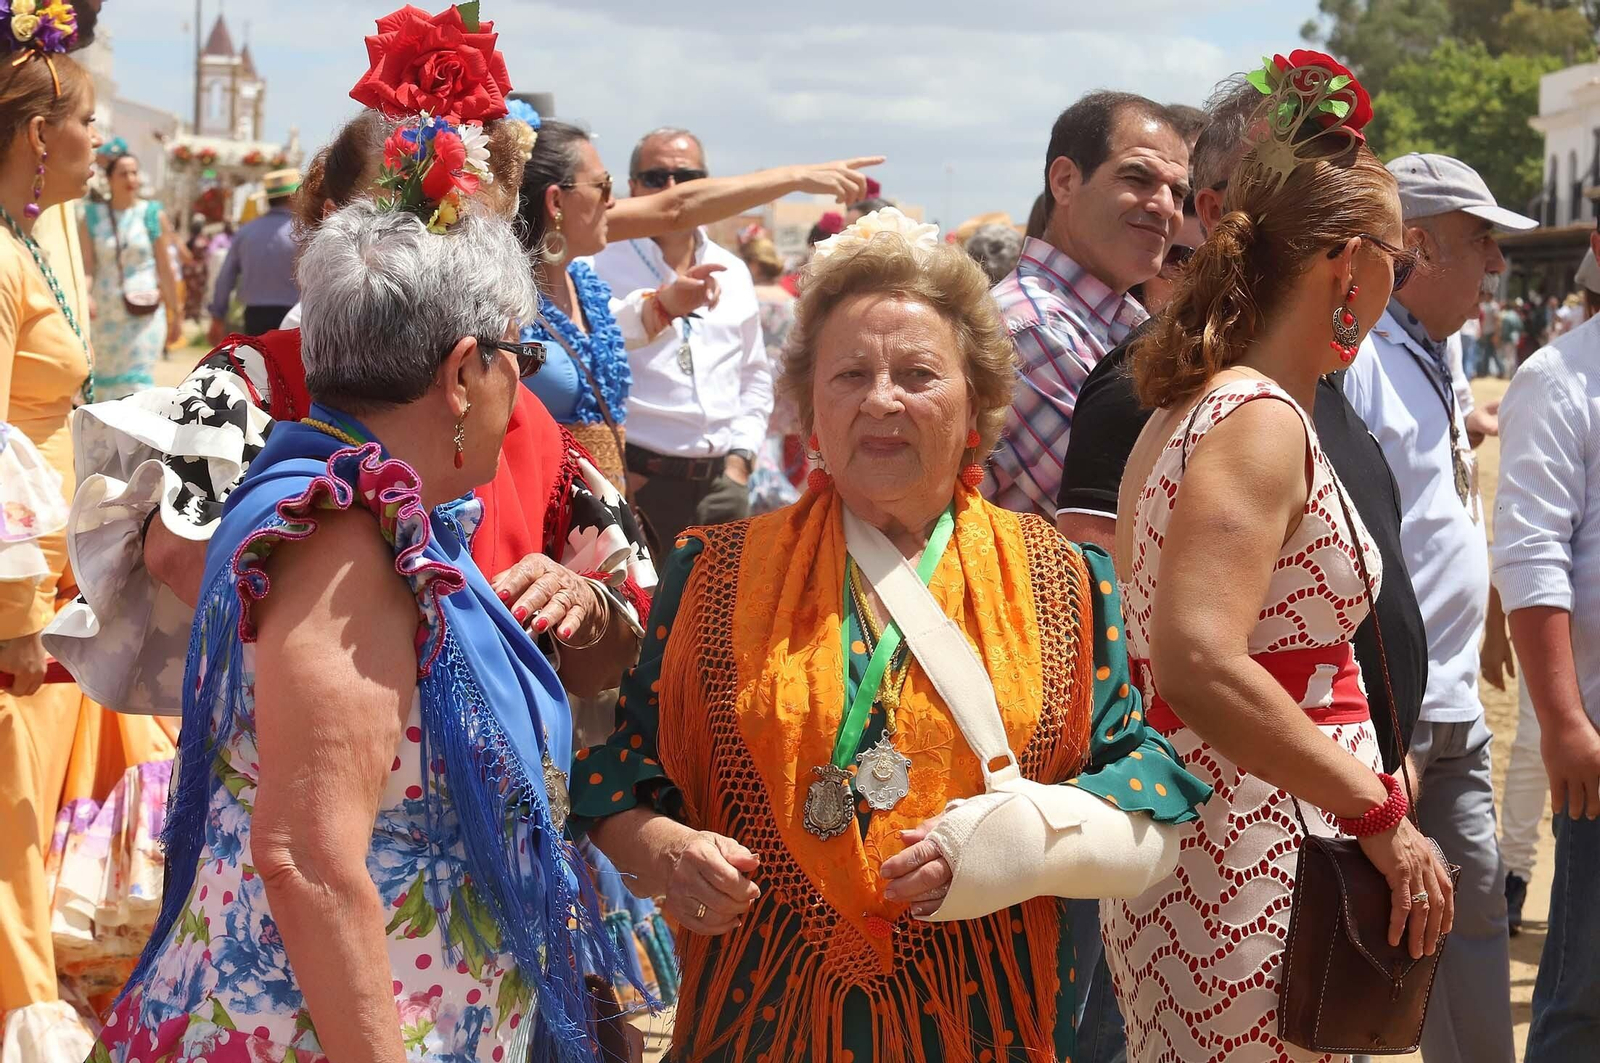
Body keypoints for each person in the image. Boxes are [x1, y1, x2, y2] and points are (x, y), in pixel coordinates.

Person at [574, 207, 1207, 1063]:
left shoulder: (1063, 580)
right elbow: (626, 774)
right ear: (808, 408)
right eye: (849, 374)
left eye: (918, 373)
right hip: (758, 1020)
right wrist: (667, 850)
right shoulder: (713, 574)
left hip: (987, 1020)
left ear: (978, 401)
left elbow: (1141, 783)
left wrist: (1011, 848)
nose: (881, 400)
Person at [91, 193, 625, 1063]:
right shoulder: (348, 541)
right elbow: (308, 861)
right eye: (519, 359)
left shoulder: (338, 498)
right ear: (463, 373)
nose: (521, 388)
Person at [46, 7, 650, 719]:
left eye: (468, 234)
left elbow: (617, 645)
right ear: (336, 224)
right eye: (405, 225)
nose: (435, 259)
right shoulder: (257, 382)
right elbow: (183, 555)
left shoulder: (523, 416)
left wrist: (582, 602)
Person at [1055, 73, 1433, 1063]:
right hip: (1254, 855)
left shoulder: (1200, 402)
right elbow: (1199, 662)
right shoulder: (1255, 418)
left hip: (1239, 838)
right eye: (1398, 258)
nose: (1397, 282)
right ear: (1347, 264)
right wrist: (1377, 807)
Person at [0, 22, 180, 1054]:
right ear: (38, 136)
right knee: (15, 837)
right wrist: (15, 613)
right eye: (85, 120)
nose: (100, 139)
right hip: (19, 607)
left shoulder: (27, 242)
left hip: (58, 590)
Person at [1342, 151, 1536, 1063]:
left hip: (1454, 702)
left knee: (1475, 912)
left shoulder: (1434, 350)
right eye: (1481, 240)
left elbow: (1442, 501)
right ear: (1415, 246)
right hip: (1396, 708)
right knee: (1362, 934)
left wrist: (1484, 597)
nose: (1496, 262)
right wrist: (1384, 720)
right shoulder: (1360, 363)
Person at [1492, 223, 1600, 1062]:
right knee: (1585, 994)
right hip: (1599, 739)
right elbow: (1532, 556)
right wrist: (1564, 723)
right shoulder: (1560, 378)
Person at [984, 91, 1189, 518]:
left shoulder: (1115, 320)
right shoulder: (1031, 328)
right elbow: (1145, 514)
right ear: (1064, 182)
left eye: (1178, 192)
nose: (1165, 207)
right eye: (1138, 178)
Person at [515, 117, 724, 492]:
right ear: (556, 201)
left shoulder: (583, 285)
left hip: (597, 514)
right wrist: (796, 179)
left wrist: (668, 303)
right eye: (602, 186)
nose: (612, 202)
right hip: (532, 505)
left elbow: (611, 328)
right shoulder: (504, 299)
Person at [592, 127, 772, 541]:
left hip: (721, 488)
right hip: (637, 484)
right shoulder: (598, 263)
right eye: (657, 178)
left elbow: (754, 375)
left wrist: (740, 461)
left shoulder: (733, 270)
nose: (674, 190)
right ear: (634, 187)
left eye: (688, 178)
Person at [81, 147, 180, 399]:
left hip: (144, 315)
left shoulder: (151, 214)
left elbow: (165, 267)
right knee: (104, 388)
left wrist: (176, 313)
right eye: (124, 173)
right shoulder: (91, 216)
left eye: (135, 173)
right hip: (104, 316)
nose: (131, 179)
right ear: (109, 178)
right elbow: (87, 267)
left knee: (137, 386)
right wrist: (84, 296)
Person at [207, 167, 300, 340]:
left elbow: (226, 276)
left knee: (258, 357)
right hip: (295, 316)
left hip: (255, 316)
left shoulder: (246, 232)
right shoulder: (304, 232)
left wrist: (217, 315)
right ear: (293, 197)